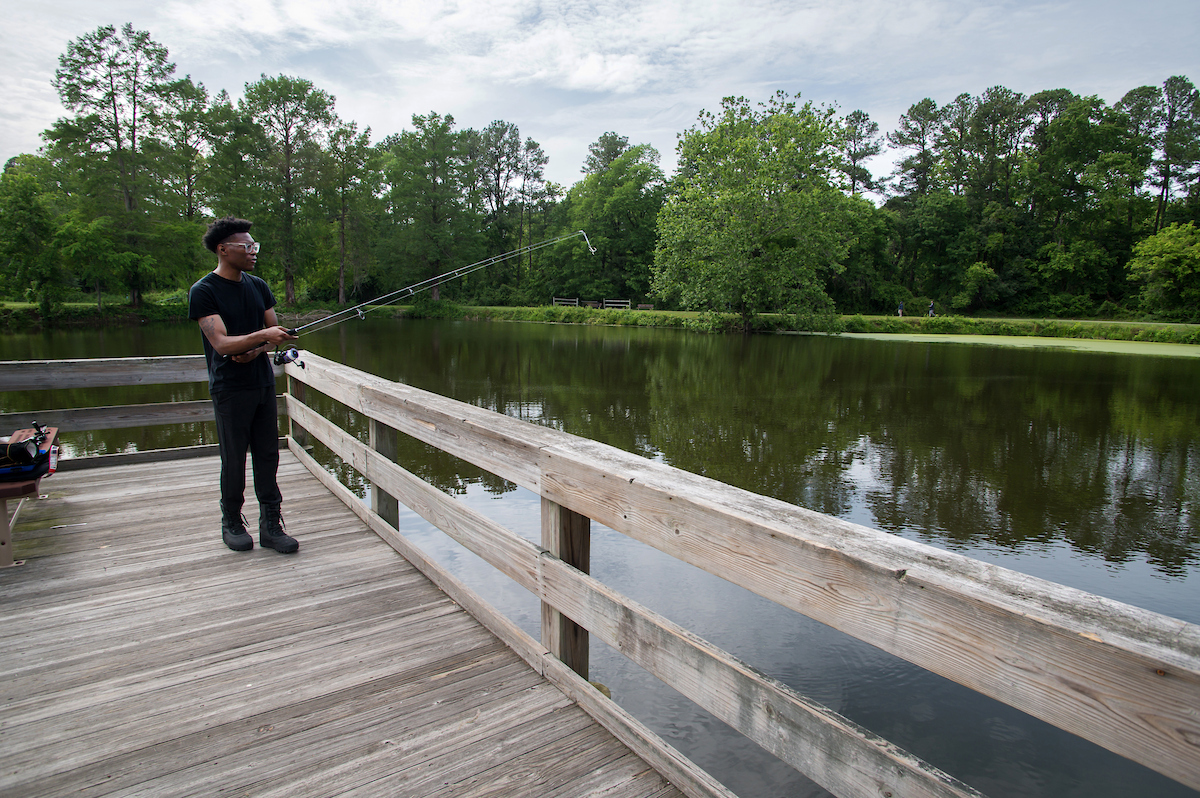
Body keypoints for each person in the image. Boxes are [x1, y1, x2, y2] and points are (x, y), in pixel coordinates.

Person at [189, 216, 300, 553]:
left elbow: (275, 334)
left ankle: (271, 526)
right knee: (234, 458)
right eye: (247, 246)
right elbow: (221, 344)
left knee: (268, 455)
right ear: (223, 250)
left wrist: (258, 348)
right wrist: (261, 338)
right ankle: (233, 521)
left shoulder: (259, 286)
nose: (254, 252)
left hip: (262, 383)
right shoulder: (204, 292)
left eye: (255, 246)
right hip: (229, 388)